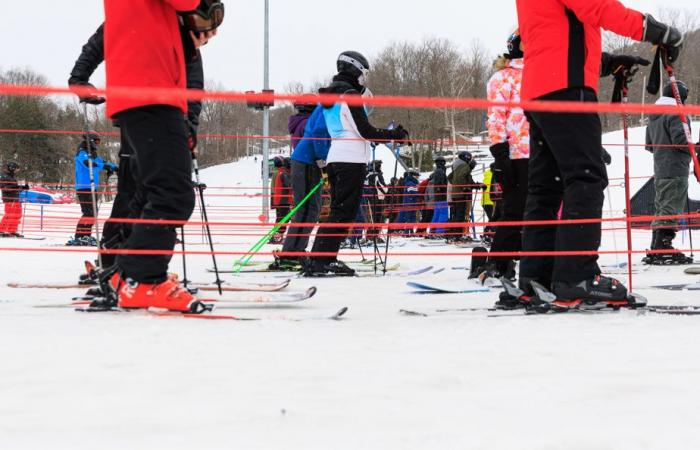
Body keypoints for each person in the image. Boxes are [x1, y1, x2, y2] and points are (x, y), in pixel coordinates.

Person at [515, 0, 682, 306]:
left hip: (539, 90)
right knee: (586, 179)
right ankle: (576, 275)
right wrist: (656, 31)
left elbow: (557, 36)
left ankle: (535, 276)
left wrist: (607, 63)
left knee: (546, 188)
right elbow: (599, 7)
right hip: (567, 89)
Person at [98, 0, 220, 313]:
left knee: (158, 191)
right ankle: (144, 281)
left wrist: (187, 34)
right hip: (150, 89)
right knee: (173, 194)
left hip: (150, 88)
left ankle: (128, 274)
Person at [67, 11, 213, 268]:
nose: (206, 38)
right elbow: (101, 39)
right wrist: (79, 78)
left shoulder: (170, 29)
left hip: (154, 118)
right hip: (150, 115)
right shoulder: (154, 20)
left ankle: (124, 265)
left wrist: (189, 125)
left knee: (144, 194)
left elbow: (193, 84)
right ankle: (124, 267)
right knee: (150, 193)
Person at [301, 50, 409, 277]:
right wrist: (393, 135)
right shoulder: (349, 95)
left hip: (337, 158)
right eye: (363, 73)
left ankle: (320, 258)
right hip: (350, 160)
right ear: (354, 69)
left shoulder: (333, 95)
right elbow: (365, 131)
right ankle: (323, 260)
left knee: (338, 211)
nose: (364, 78)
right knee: (343, 213)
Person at [474, 31, 530, 290]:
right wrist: (500, 152)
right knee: (514, 210)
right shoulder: (503, 77)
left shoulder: (544, 73)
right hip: (516, 154)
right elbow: (495, 116)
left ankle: (539, 262)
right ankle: (498, 262)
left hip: (542, 152)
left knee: (543, 210)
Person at [272, 103, 331, 270]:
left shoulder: (300, 122)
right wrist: (324, 163)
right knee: (308, 210)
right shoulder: (308, 122)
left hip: (305, 163)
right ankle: (292, 252)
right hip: (307, 164)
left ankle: (294, 250)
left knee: (309, 210)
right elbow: (318, 141)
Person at [643, 81, 695, 265]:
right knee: (671, 207)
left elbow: (649, 145)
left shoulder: (654, 115)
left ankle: (657, 245)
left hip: (661, 167)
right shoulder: (675, 113)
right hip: (675, 167)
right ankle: (663, 246)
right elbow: (681, 140)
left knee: (662, 205)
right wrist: (694, 147)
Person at [67, 132, 117, 247]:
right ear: (90, 141)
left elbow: (102, 161)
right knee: (88, 212)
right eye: (97, 141)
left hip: (93, 187)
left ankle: (86, 235)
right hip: (84, 187)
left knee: (93, 213)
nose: (98, 144)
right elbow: (88, 163)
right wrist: (104, 166)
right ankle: (79, 236)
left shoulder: (93, 154)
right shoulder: (82, 152)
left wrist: (115, 167)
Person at [447, 151, 476, 243]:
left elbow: (450, 177)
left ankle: (453, 235)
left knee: (455, 215)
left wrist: (472, 185)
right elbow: (461, 178)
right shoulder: (464, 166)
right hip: (461, 194)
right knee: (460, 215)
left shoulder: (456, 166)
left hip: (455, 194)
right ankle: (457, 236)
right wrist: (465, 187)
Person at [0, 162, 29, 238]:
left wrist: (23, 187)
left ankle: (12, 230)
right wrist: (16, 186)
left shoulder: (13, 177)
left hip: (16, 198)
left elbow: (16, 188)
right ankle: (1, 230)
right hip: (9, 199)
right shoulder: (4, 176)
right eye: (16, 169)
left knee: (17, 214)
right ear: (12, 168)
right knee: (9, 214)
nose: (17, 171)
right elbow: (5, 188)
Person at [270, 156, 292, 244]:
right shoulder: (283, 174)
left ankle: (277, 236)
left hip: (280, 200)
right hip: (283, 200)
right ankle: (277, 237)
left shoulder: (281, 172)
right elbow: (290, 185)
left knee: (281, 219)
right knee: (283, 219)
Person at [429, 156, 449, 236]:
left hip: (438, 197)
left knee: (437, 214)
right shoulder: (440, 172)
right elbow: (440, 184)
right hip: (441, 196)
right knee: (443, 214)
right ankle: (439, 232)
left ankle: (433, 231)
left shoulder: (437, 171)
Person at [396, 168, 420, 235]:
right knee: (410, 218)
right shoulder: (410, 183)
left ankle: (410, 232)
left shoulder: (411, 183)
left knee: (412, 217)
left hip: (411, 202)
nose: (418, 177)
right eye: (417, 175)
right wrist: (419, 193)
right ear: (413, 176)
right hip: (410, 203)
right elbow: (413, 193)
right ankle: (407, 232)